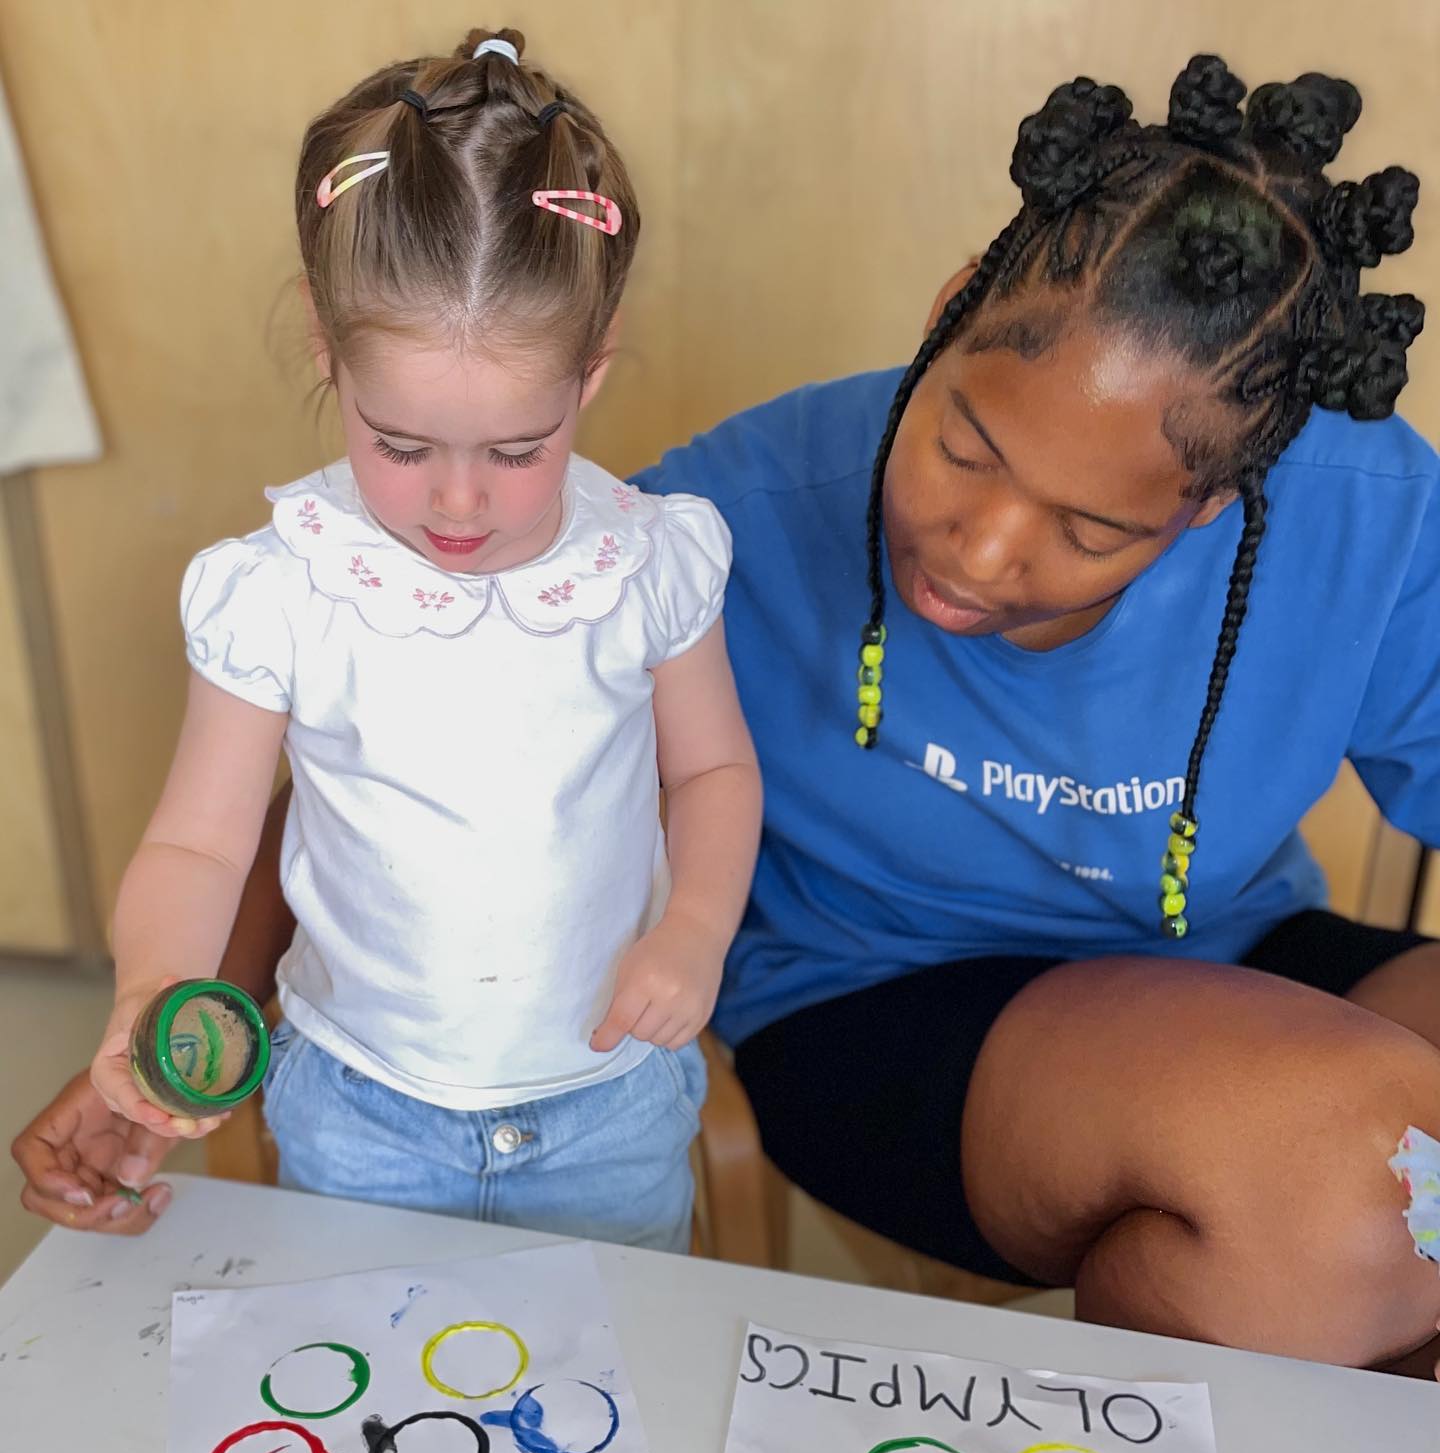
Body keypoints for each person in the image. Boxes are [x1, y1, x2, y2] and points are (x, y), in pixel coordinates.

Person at [16, 56, 1439, 1372]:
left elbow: (689, 779)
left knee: (1396, 1189)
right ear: (950, 308)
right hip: (894, 1008)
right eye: (963, 447)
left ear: (1223, 493)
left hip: (1234, 968)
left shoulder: (1361, 510)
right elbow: (353, 781)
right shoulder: (724, 516)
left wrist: (685, 927)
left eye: (1092, 529)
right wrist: (172, 1030)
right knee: (1368, 1177)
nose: (982, 554)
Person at [78, 26, 761, 1253]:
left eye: (516, 451)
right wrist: (148, 988)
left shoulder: (646, 562)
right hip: (360, 1111)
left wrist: (697, 927)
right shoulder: (283, 590)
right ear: (327, 352)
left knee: (596, 1401)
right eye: (399, 446)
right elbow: (197, 839)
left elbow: (711, 771)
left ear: (588, 378)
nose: (459, 504)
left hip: (605, 1099)